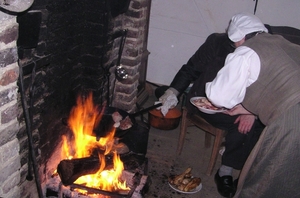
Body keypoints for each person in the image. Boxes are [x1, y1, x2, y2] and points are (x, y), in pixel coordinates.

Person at [156, 32, 265, 197]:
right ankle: (225, 172)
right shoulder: (216, 42)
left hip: (240, 104)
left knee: (259, 124)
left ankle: (245, 169)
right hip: (204, 100)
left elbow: (261, 87)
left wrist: (251, 111)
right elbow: (191, 67)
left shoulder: (259, 50)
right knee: (240, 127)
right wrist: (173, 91)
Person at [206, 12, 300, 198]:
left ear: (240, 37)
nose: (235, 46)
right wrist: (249, 108)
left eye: (235, 43)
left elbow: (219, 96)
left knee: (270, 174)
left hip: (292, 119)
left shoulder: (246, 51)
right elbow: (278, 84)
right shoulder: (284, 43)